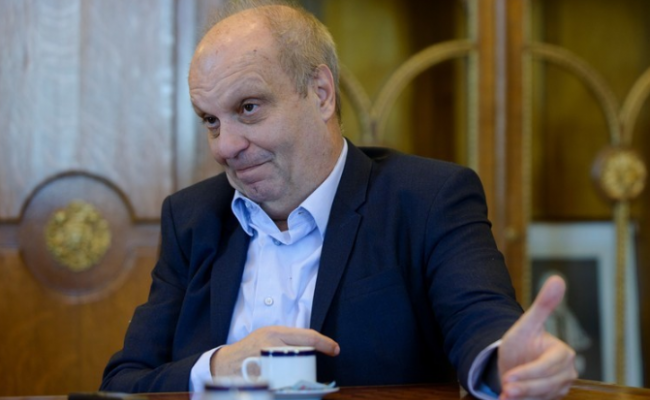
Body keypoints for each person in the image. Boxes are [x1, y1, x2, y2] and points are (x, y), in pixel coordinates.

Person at [101, 1, 577, 399]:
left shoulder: (427, 199)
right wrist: (217, 367)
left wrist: (506, 363)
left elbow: (480, 320)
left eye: (248, 108)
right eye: (211, 120)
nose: (225, 146)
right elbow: (123, 383)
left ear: (322, 94)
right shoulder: (191, 219)